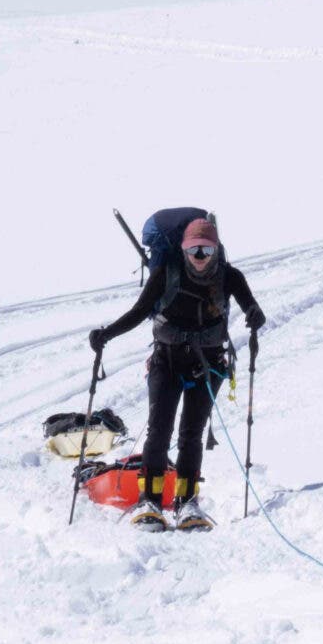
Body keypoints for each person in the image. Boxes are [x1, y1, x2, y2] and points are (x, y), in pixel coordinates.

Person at [88, 216, 267, 531]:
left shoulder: (230, 277)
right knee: (159, 431)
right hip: (166, 363)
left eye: (207, 249)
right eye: (194, 248)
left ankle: (187, 502)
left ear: (217, 249)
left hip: (207, 365)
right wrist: (107, 334)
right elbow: (139, 312)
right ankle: (150, 500)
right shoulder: (166, 273)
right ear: (183, 248)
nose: (200, 256)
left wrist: (255, 314)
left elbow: (253, 307)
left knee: (191, 435)